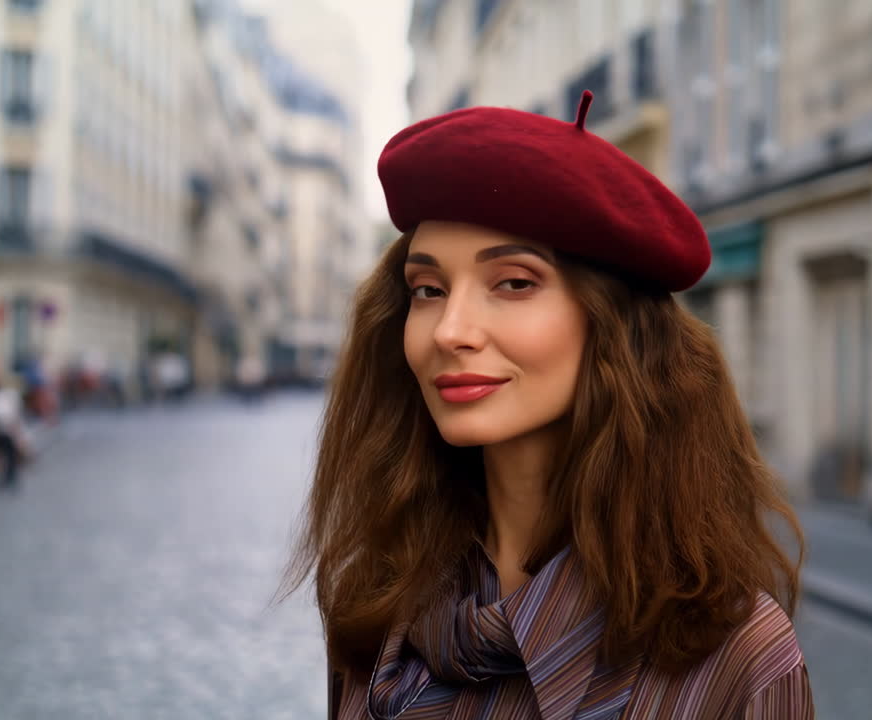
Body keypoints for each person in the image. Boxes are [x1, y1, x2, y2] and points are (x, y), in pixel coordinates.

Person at [282, 91, 812, 719]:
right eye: (428, 289)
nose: (450, 329)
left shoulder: (737, 659)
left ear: (610, 325)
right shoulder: (375, 603)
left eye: (513, 283)